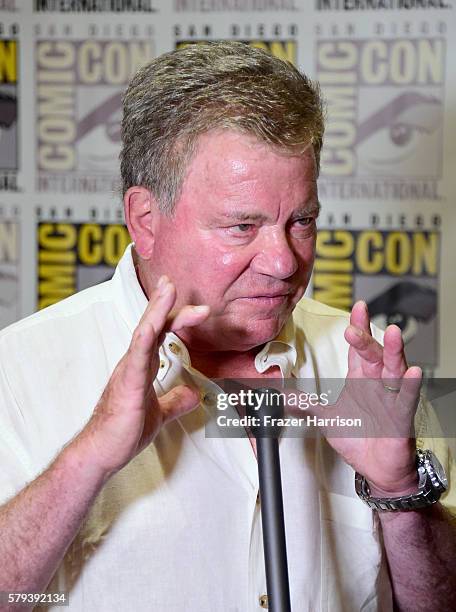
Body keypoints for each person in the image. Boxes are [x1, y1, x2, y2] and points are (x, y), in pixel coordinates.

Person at [0, 41, 455, 612]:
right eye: (242, 226)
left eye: (303, 221)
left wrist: (400, 491)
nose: (285, 262)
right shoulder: (17, 374)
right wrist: (86, 460)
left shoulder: (362, 365)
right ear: (145, 218)